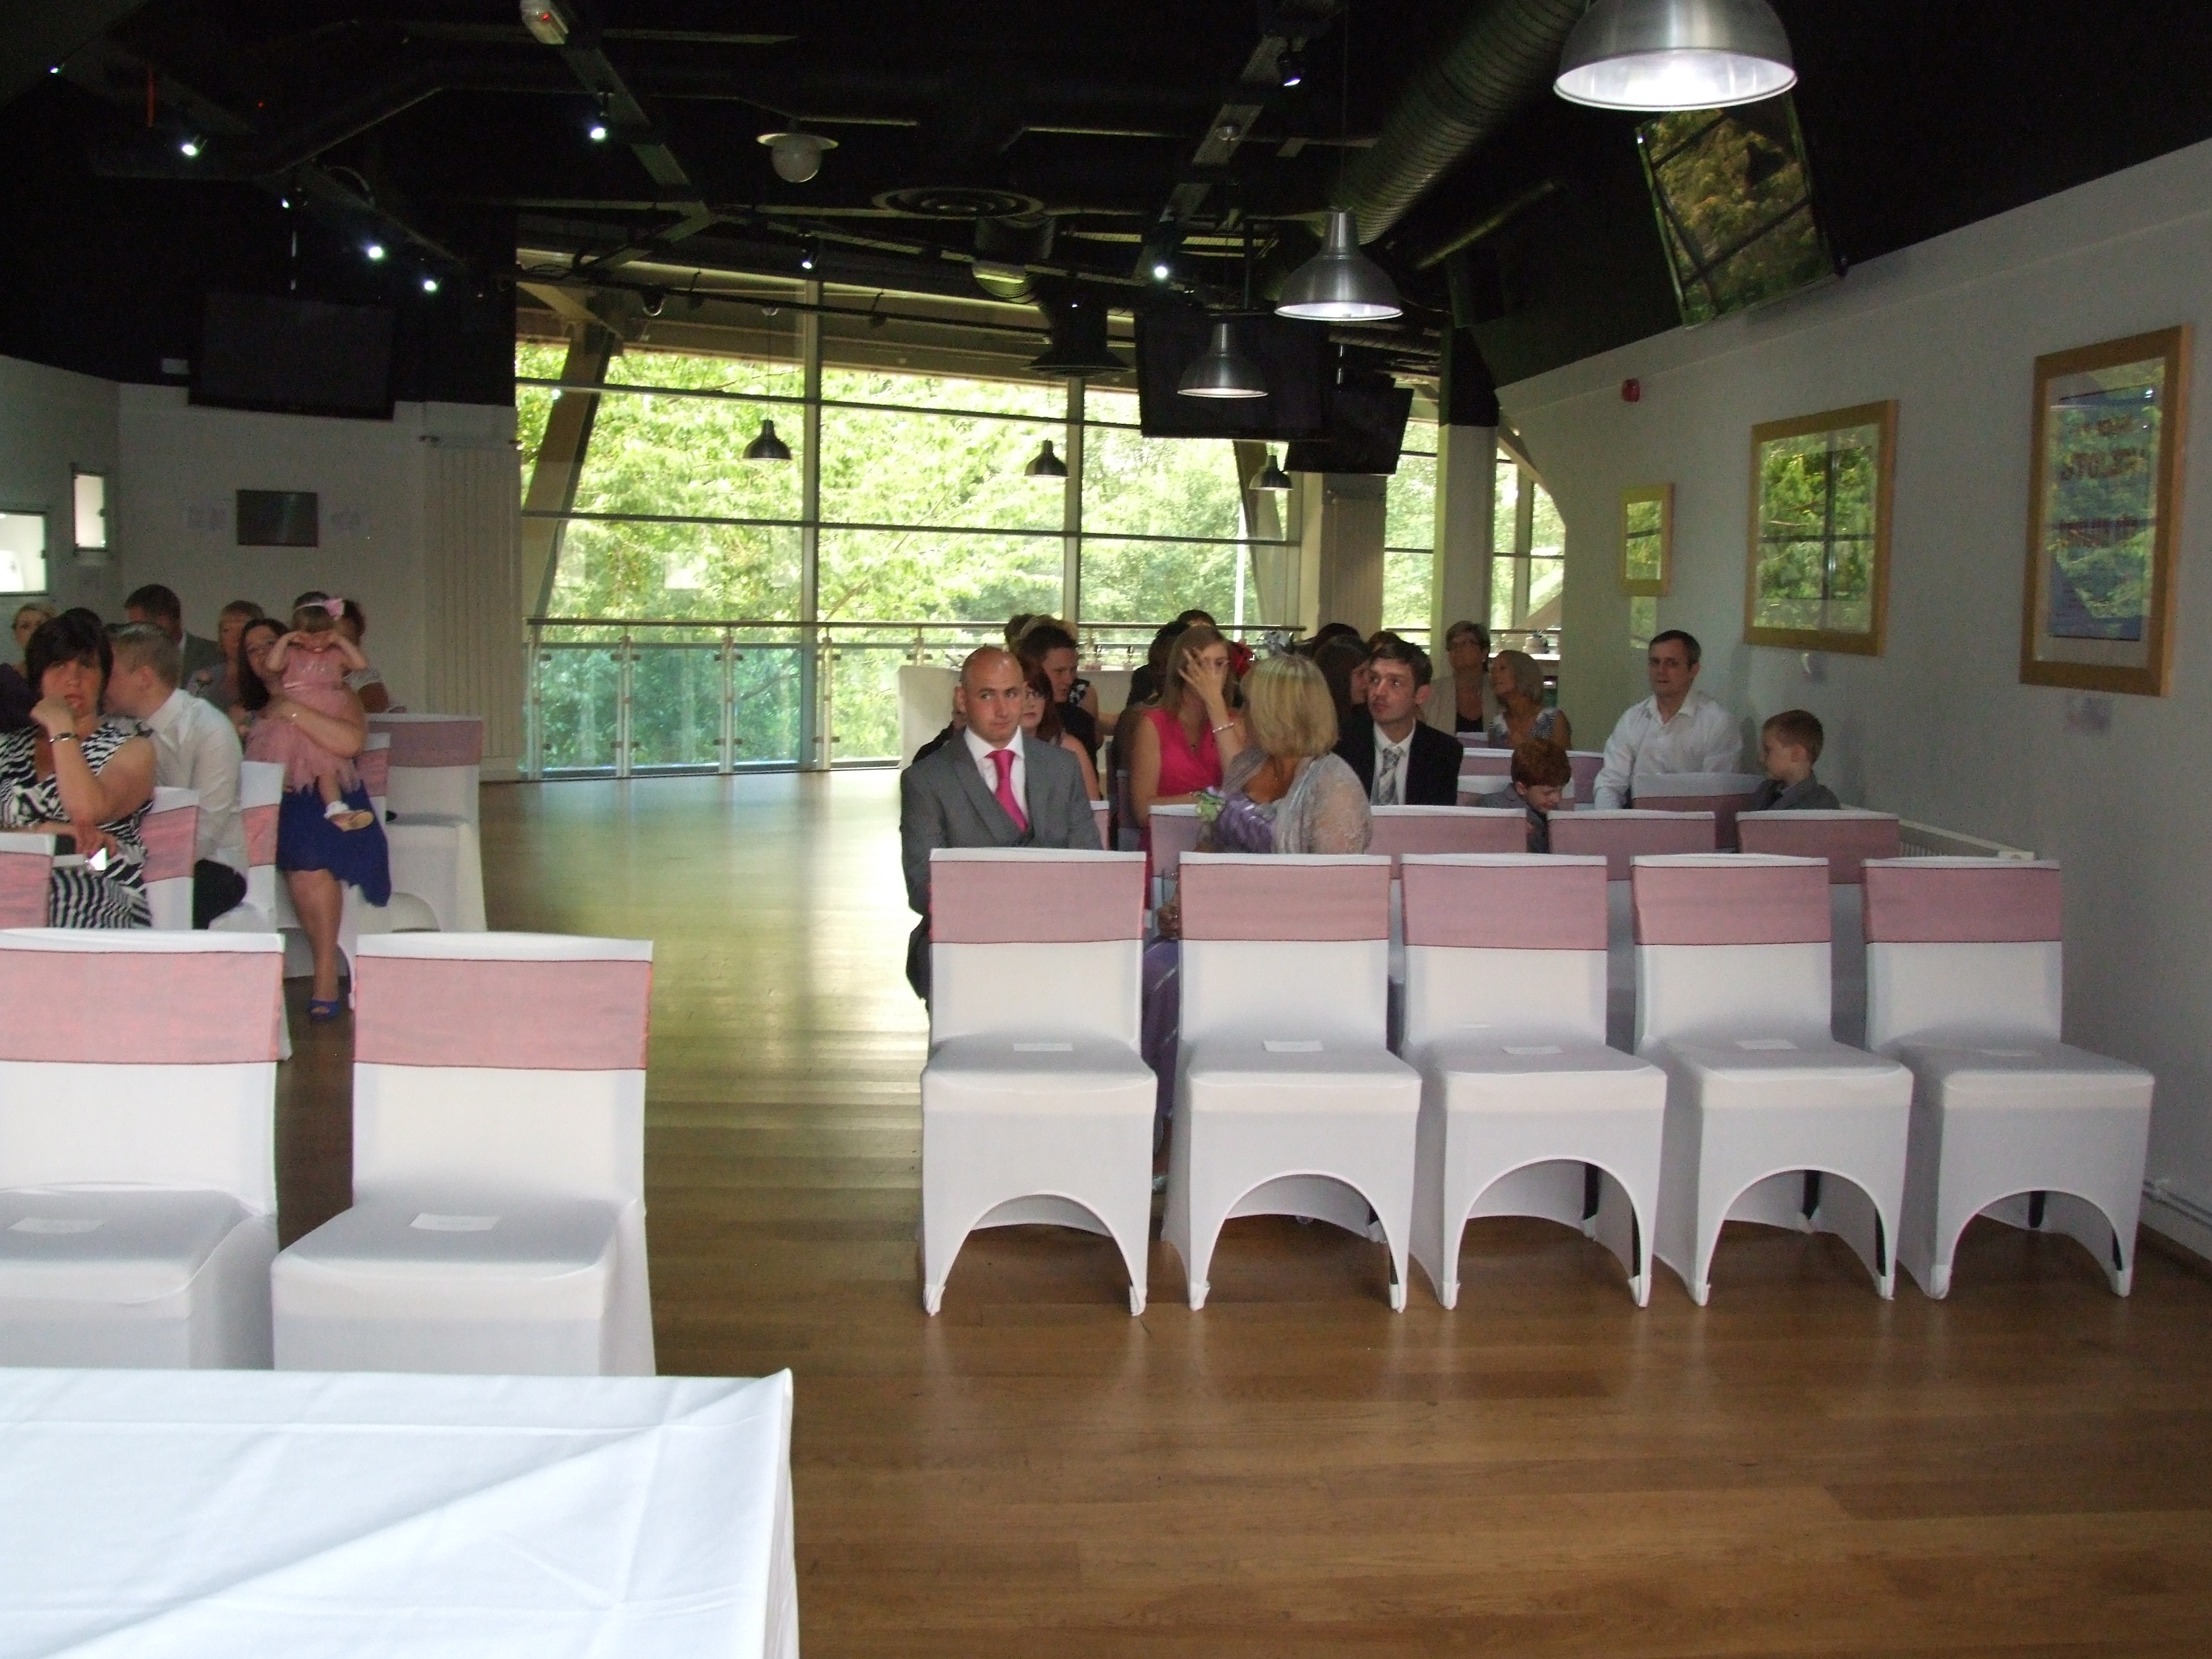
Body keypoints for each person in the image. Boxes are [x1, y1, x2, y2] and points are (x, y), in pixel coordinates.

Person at [1140, 652, 1370, 1126]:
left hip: (1291, 950)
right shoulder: (1246, 766)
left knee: (1171, 978)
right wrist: (1183, 905)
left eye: (1251, 704)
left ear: (1283, 710)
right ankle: (1155, 1120)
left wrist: (1239, 919)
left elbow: (1333, 902)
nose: (1241, 714)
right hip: (1220, 932)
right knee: (1149, 962)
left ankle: (1178, 1129)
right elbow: (1208, 844)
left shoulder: (1334, 785)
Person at [899, 646, 1099, 999]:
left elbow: (1090, 864)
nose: (1003, 709)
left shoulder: (1062, 768)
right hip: (965, 944)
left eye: (1012, 694)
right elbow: (922, 887)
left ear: (1025, 695)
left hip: (1056, 939)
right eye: (987, 695)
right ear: (962, 699)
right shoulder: (926, 780)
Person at [243, 608, 389, 1018]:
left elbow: (349, 744)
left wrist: (292, 709)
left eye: (269, 644)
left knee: (308, 854)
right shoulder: (241, 708)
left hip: (333, 799)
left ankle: (325, 967)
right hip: (271, 803)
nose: (262, 655)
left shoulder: (338, 693)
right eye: (251, 650)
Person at [0, 612, 155, 926]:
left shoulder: (132, 749)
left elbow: (85, 813)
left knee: (66, 898)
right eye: (59, 666)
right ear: (37, 677)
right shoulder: (7, 748)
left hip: (97, 872)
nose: (74, 678)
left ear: (103, 678)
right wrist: (48, 832)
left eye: (86, 666)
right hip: (10, 872)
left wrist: (61, 729)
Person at [105, 623, 249, 927]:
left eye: (112, 673)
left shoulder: (209, 729)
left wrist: (139, 867)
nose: (102, 683)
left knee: (155, 902)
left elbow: (207, 830)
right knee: (83, 884)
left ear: (144, 677)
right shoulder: (115, 728)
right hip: (130, 858)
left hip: (211, 864)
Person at [250, 602, 380, 833]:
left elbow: (361, 664)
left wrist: (339, 641)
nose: (318, 642)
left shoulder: (335, 655)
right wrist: (286, 639)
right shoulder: (291, 654)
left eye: (324, 635)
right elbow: (272, 664)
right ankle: (275, 815)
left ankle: (336, 808)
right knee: (279, 765)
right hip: (290, 728)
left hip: (319, 718)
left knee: (326, 769)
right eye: (311, 636)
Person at [1592, 629, 1742, 809]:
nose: (1660, 671)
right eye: (1655, 663)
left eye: (1671, 664)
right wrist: (1610, 823)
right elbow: (1610, 783)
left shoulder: (1717, 723)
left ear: (1693, 670)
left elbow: (1715, 795)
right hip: (1636, 822)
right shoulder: (1632, 719)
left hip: (1691, 826)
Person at [1127, 623, 1245, 837]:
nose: (1211, 674)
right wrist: (1203, 799)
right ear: (1182, 668)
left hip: (1222, 844)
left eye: (1220, 664)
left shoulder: (1236, 723)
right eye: (1202, 664)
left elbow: (1242, 791)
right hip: (1166, 841)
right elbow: (1142, 811)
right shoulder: (1152, 725)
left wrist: (1216, 708)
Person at [1334, 636, 1464, 806]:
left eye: (1395, 683)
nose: (1379, 692)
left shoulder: (1443, 752)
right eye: (1374, 679)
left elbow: (1434, 825)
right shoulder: (1340, 745)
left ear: (1421, 695)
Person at [1017, 620, 1100, 761]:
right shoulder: (1010, 718)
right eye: (1059, 671)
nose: (1069, 679)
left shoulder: (1080, 723)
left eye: (1073, 670)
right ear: (1034, 670)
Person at [1020, 662, 1102, 802]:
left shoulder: (1069, 748)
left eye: (1038, 694)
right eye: (1024, 695)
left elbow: (1094, 810)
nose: (1032, 703)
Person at [123, 583, 225, 690]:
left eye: (139, 627)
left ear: (163, 622)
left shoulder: (216, 655)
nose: (136, 634)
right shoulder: (134, 662)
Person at [1480, 738, 1572, 854]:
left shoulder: (1554, 812)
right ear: (1522, 788)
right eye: (1548, 793)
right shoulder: (1492, 808)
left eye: (1560, 790)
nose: (1557, 799)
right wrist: (1506, 832)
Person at [1750, 709, 1842, 811]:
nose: (1761, 758)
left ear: (1797, 754)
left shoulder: (1821, 804)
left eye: (1768, 750)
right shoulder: (1765, 789)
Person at [186, 599, 266, 712]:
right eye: (227, 630)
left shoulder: (269, 678)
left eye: (243, 630)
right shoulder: (202, 679)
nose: (235, 637)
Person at [1487, 648, 1571, 750]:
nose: (1495, 675)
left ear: (1523, 673)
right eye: (1493, 670)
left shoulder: (1553, 720)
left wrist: (1526, 748)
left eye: (1502, 669)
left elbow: (1562, 764)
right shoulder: (1496, 727)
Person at [2, 601, 58, 732]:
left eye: (40, 624)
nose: (34, 631)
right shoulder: (5, 677)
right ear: (16, 634)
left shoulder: (67, 673)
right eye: (25, 626)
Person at [1427, 619, 1490, 736]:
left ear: (1484, 652)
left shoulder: (1498, 691)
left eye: (1466, 643)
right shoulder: (1432, 692)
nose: (1458, 649)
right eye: (1453, 645)